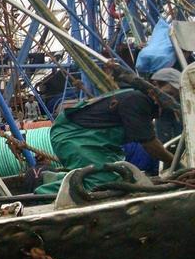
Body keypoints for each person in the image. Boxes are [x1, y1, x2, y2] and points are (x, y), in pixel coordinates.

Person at [35, 68, 181, 195]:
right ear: (156, 85)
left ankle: (52, 178)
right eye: (171, 93)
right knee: (101, 181)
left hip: (94, 140)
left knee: (121, 178)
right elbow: (150, 144)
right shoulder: (138, 100)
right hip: (75, 136)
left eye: (176, 96)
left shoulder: (140, 100)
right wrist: (178, 165)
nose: (172, 99)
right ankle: (41, 195)